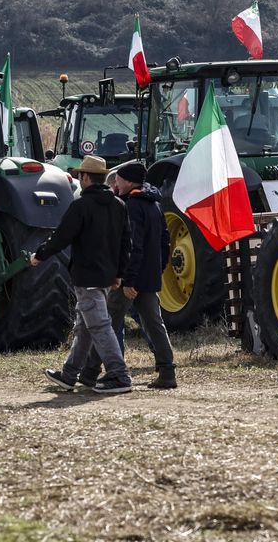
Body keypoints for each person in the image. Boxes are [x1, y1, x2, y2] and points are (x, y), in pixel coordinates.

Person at [32, 155, 133, 395]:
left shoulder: (81, 206)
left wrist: (40, 255)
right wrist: (119, 273)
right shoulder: (119, 205)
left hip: (87, 277)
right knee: (85, 326)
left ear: (87, 178)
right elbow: (125, 243)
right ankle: (69, 375)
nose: (80, 180)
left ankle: (119, 375)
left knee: (98, 326)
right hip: (107, 276)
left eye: (80, 176)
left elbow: (61, 237)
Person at [80, 162, 177, 389]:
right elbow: (165, 241)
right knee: (155, 324)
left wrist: (128, 280)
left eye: (119, 180)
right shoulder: (154, 204)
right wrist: (157, 270)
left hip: (130, 280)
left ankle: (90, 372)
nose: (115, 183)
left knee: (106, 324)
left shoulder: (132, 206)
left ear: (129, 181)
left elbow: (133, 247)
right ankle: (167, 371)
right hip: (149, 277)